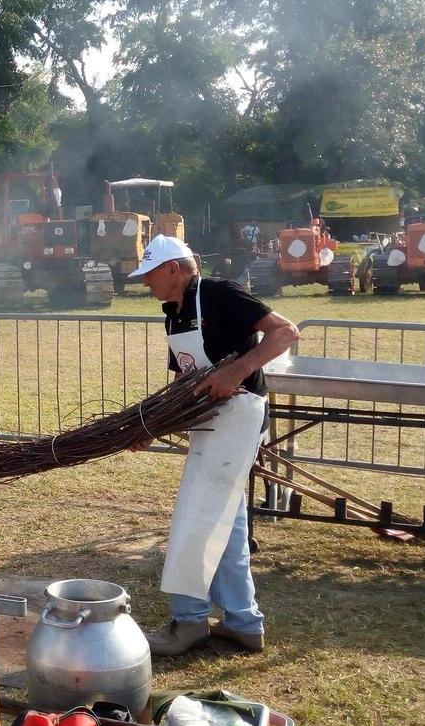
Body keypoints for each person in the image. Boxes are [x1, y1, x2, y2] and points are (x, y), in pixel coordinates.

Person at [127, 235, 298, 656]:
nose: (145, 283)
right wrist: (154, 422)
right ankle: (243, 622)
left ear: (173, 268)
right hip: (208, 422)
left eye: (149, 274)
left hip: (238, 416)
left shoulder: (220, 294)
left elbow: (284, 332)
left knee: (196, 517)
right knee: (227, 520)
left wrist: (236, 371)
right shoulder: (173, 313)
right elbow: (183, 380)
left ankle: (190, 621)